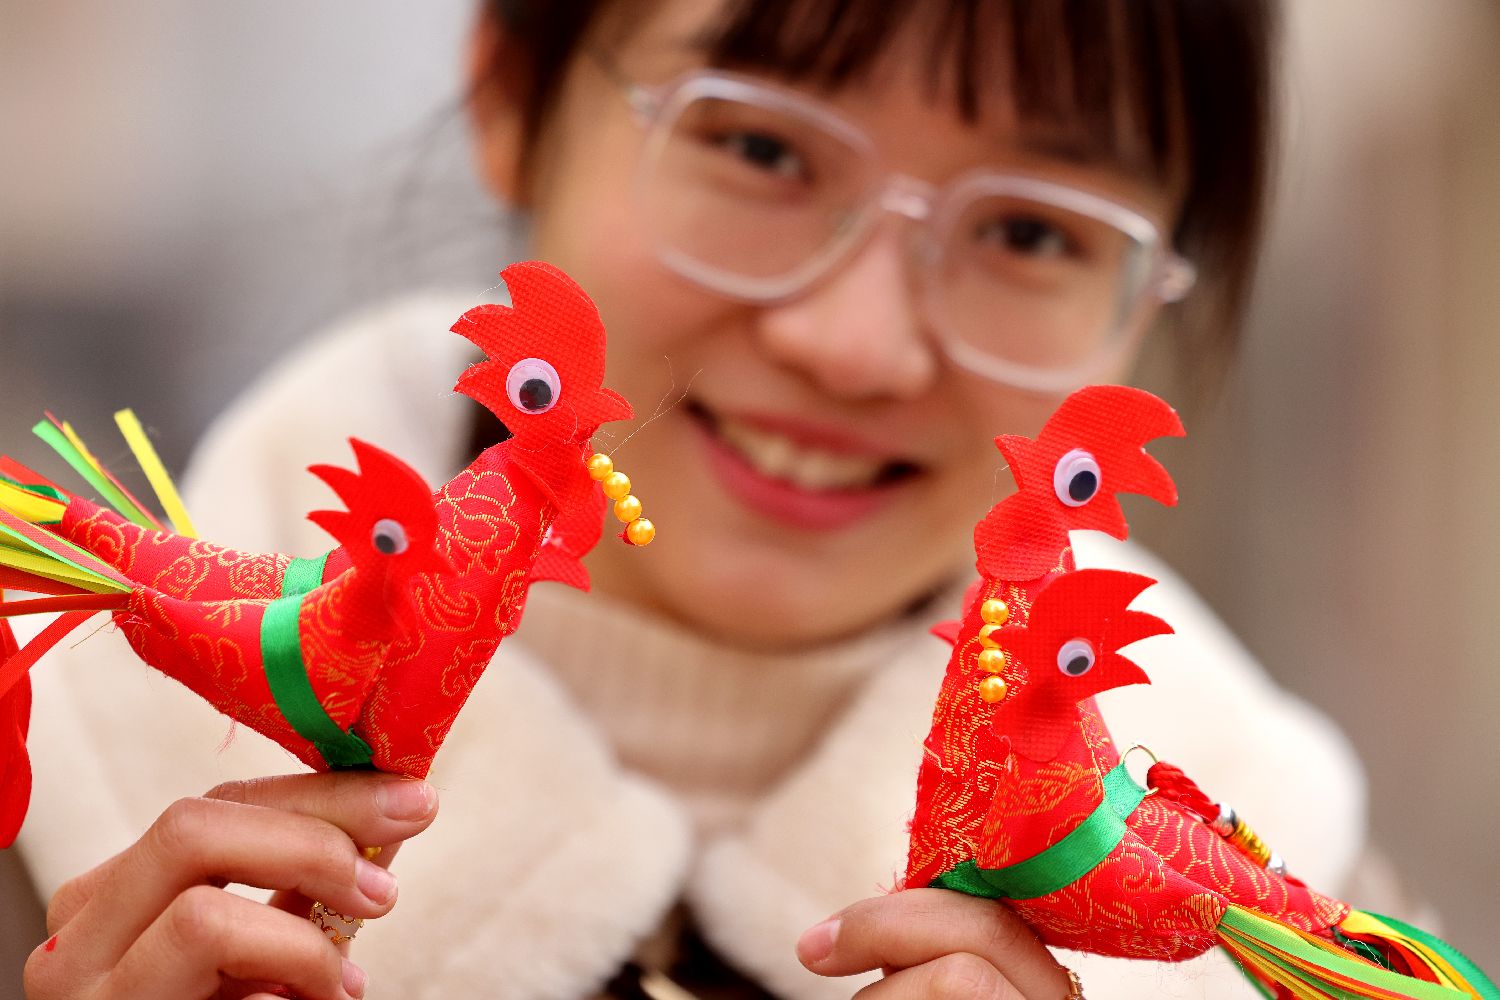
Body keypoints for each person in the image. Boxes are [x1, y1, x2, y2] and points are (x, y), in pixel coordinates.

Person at [16, 1, 1373, 997]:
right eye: (762, 149)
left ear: (1152, 302)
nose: (853, 344)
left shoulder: (1304, 928)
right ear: (509, 97)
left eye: (1031, 232)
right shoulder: (54, 783)